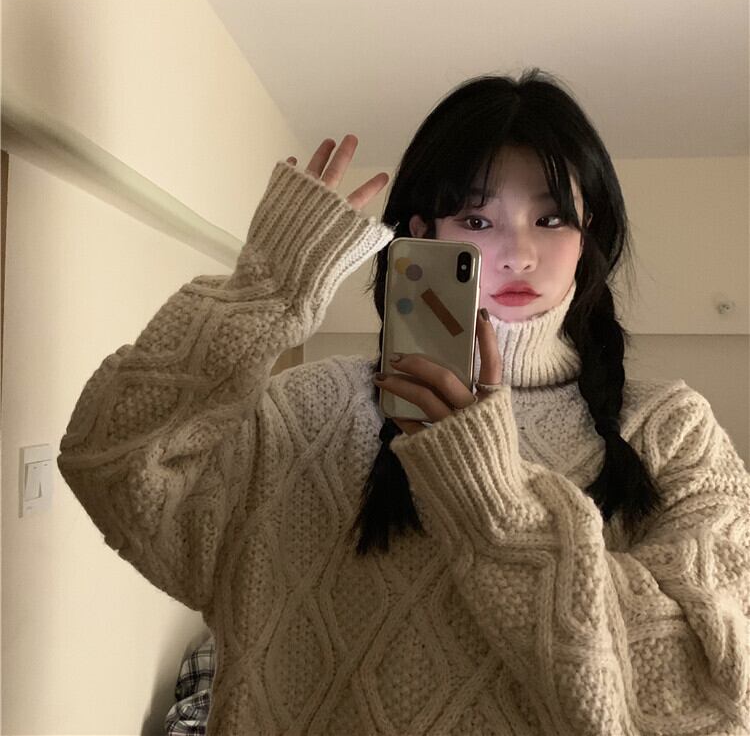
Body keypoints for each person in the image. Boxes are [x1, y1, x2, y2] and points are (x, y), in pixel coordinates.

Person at [58, 68, 750, 735]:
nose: (518, 253)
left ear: (588, 232)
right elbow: (113, 464)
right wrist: (264, 289)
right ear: (424, 233)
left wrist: (492, 500)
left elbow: (706, 692)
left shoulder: (671, 430)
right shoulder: (305, 410)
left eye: (550, 218)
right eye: (476, 218)